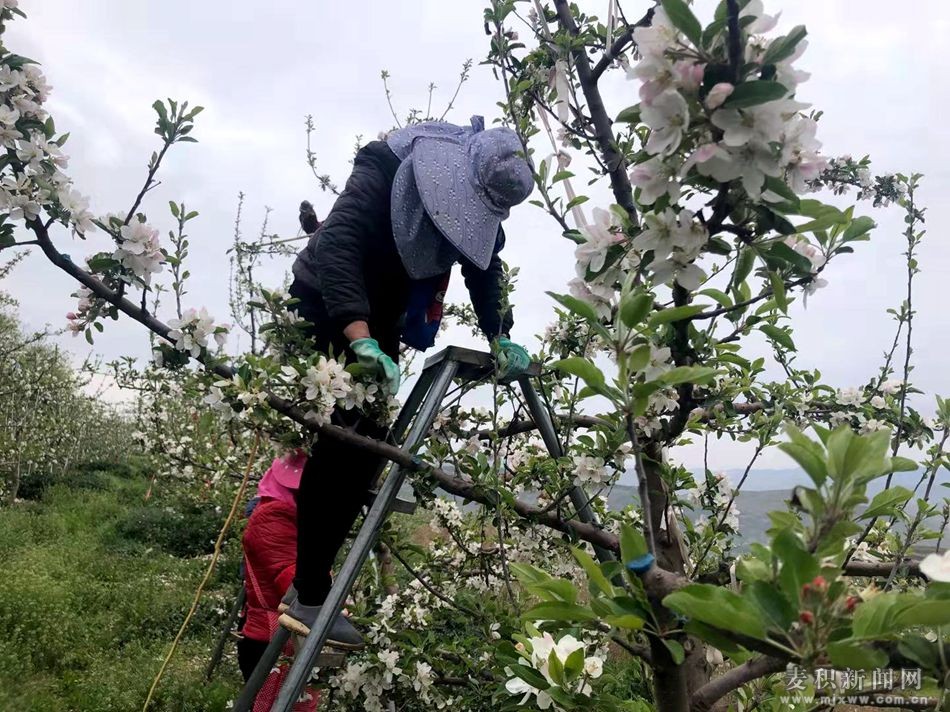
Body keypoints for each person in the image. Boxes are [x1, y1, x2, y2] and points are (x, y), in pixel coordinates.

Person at [279, 116, 535, 648]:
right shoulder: (384, 166)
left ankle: (312, 584)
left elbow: (483, 267)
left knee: (366, 450)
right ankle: (308, 592)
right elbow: (338, 246)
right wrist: (358, 336)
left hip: (381, 320)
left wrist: (499, 332)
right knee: (345, 440)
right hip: (331, 305)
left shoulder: (482, 197)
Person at [239, 452, 320, 711]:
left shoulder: (287, 516)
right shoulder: (273, 517)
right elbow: (293, 581)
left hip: (281, 637)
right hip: (270, 640)